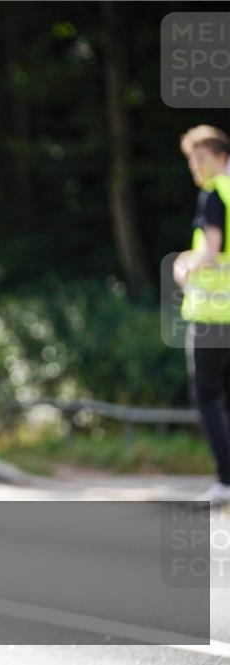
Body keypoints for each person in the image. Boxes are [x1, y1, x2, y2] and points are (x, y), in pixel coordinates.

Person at [173, 125, 230, 505]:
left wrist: (182, 264)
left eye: (198, 157)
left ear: (217, 155)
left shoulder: (214, 195)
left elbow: (211, 250)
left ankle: (226, 480)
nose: (194, 166)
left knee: (207, 396)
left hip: (212, 315)